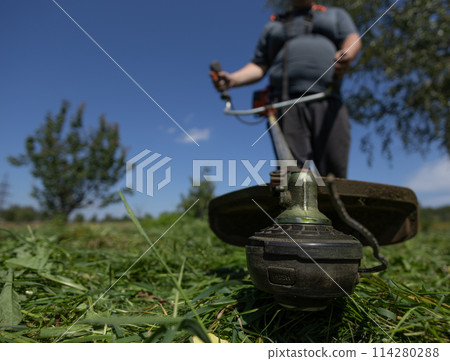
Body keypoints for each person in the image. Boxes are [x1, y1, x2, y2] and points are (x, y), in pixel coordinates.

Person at [212, 0, 361, 178]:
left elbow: (352, 38)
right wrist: (233, 80)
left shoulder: (334, 14)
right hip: (285, 103)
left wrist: (347, 53)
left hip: (328, 98)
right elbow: (259, 65)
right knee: (296, 174)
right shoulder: (273, 26)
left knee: (334, 173)